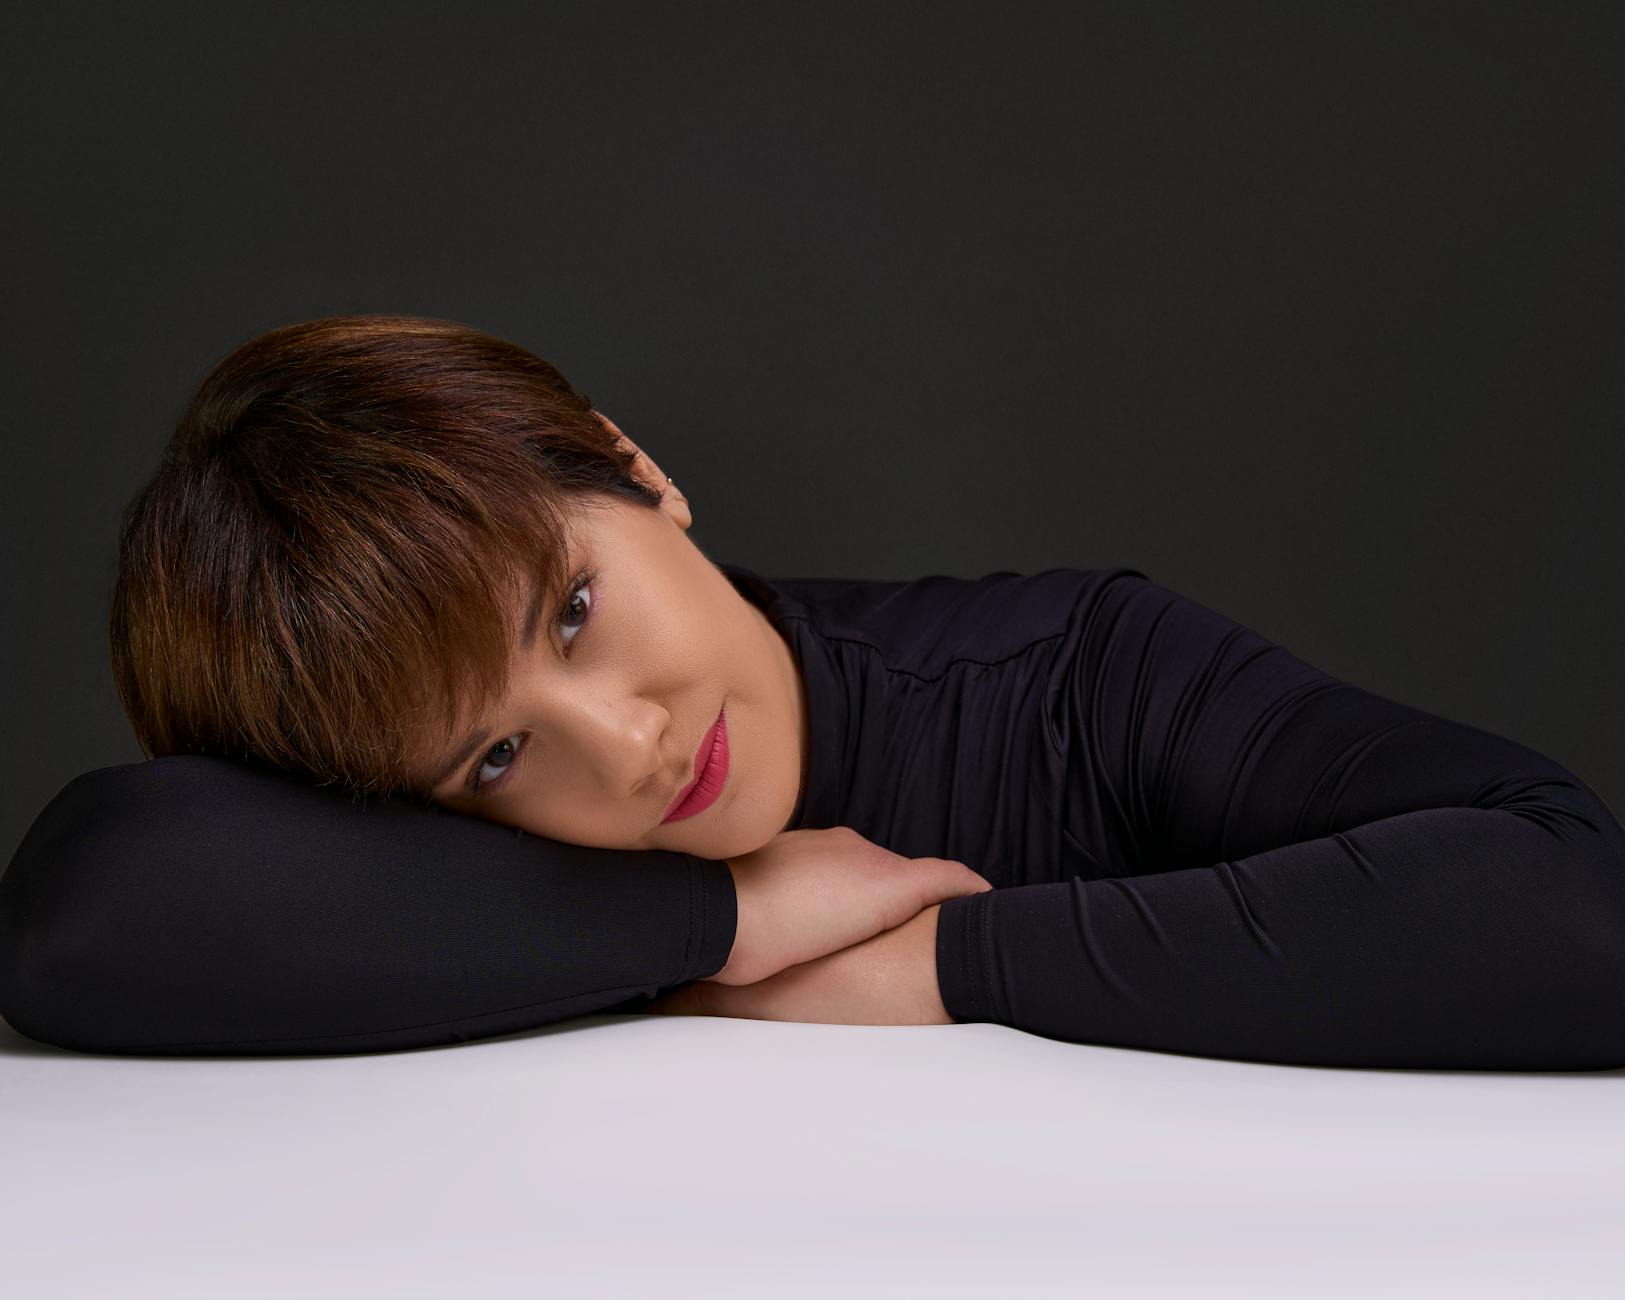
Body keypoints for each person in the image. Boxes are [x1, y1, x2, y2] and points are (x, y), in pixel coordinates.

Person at [3, 315, 1623, 1069]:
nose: (625, 748)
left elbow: (1572, 909)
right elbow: (83, 915)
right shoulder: (449, 873)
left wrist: (939, 964)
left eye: (574, 611)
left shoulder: (1069, 672)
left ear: (634, 468)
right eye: (493, 755)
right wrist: (721, 922)